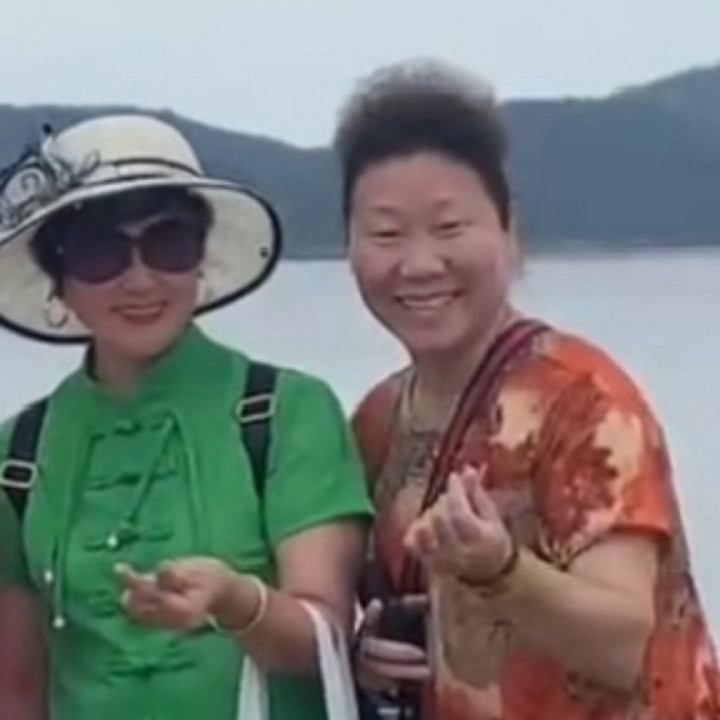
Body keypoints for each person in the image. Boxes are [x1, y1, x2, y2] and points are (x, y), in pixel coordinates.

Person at [334, 59, 720, 720]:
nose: (419, 264)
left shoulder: (582, 399)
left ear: (510, 232)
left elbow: (624, 644)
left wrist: (501, 570)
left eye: (450, 228)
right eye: (387, 234)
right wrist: (368, 652)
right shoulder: (377, 418)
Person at [0, 113, 373, 720]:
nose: (139, 279)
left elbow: (323, 643)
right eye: (99, 253)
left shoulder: (286, 412)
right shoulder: (17, 451)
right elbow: (16, 688)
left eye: (169, 243)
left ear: (200, 259)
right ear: (58, 282)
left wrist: (237, 601)